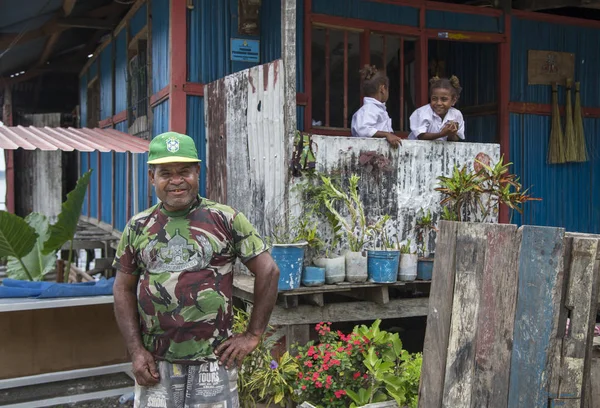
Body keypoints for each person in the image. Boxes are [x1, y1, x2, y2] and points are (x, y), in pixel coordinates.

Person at [113, 131, 280, 408]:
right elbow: (122, 288)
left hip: (214, 360)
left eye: (184, 171)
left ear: (197, 173)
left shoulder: (226, 219)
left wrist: (252, 335)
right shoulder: (138, 226)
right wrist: (136, 350)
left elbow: (269, 271)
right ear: (151, 177)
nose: (176, 180)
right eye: (165, 172)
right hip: (156, 361)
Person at [351, 65, 403, 148]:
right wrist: (386, 134)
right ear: (382, 89)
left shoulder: (378, 109)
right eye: (387, 89)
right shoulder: (369, 109)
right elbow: (363, 129)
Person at [408, 75, 465, 141]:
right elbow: (421, 136)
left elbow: (456, 139)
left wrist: (451, 134)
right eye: (434, 99)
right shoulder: (421, 113)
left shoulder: (456, 115)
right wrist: (441, 134)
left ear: (453, 101)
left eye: (444, 99)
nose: (438, 103)